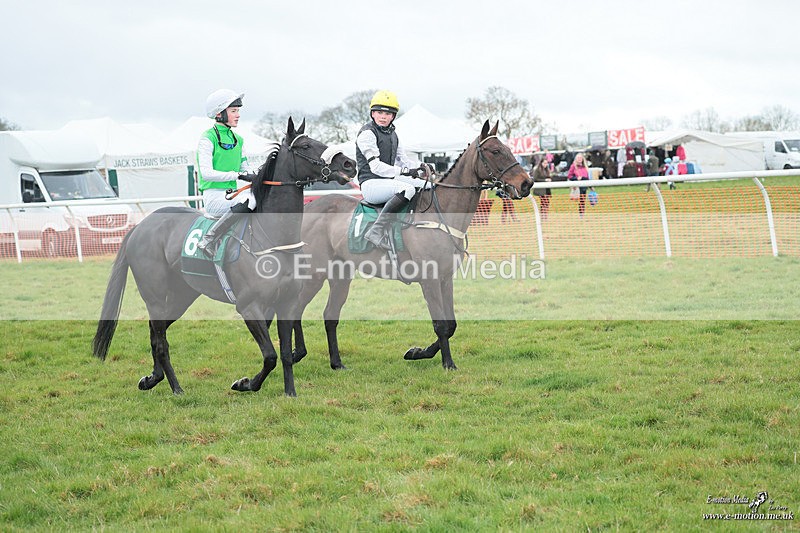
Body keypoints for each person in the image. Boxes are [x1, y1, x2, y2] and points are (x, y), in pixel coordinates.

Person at [356, 89, 433, 249]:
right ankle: (376, 231)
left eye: (388, 113)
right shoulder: (367, 134)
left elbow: (403, 160)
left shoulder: (393, 134)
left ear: (393, 116)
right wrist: (404, 172)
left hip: (387, 182)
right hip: (370, 185)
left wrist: (420, 166)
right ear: (372, 114)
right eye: (379, 112)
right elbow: (376, 167)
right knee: (407, 190)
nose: (383, 116)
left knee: (429, 186)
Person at [196, 89, 257, 258]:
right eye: (233, 111)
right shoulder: (207, 138)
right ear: (219, 113)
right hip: (214, 198)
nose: (238, 115)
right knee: (248, 200)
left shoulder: (239, 140)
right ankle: (209, 239)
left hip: (232, 195)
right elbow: (206, 173)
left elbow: (246, 168)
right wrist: (236, 175)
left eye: (238, 111)